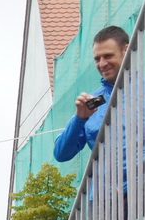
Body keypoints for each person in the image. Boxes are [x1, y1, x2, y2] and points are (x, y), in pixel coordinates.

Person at [53, 26, 129, 162]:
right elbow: (61, 154)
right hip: (107, 183)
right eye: (97, 59)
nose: (102, 64)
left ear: (126, 50)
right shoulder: (93, 103)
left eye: (108, 56)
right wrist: (79, 118)